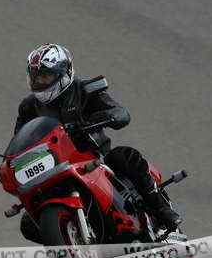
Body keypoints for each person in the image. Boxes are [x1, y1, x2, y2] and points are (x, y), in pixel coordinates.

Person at [14, 44, 181, 243]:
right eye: (36, 77)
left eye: (46, 76)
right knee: (29, 224)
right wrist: (11, 160)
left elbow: (120, 112)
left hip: (95, 157)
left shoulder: (84, 89)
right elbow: (20, 138)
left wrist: (103, 118)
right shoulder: (28, 107)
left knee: (123, 156)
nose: (40, 82)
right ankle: (74, 245)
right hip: (57, 164)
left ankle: (160, 210)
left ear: (63, 73)